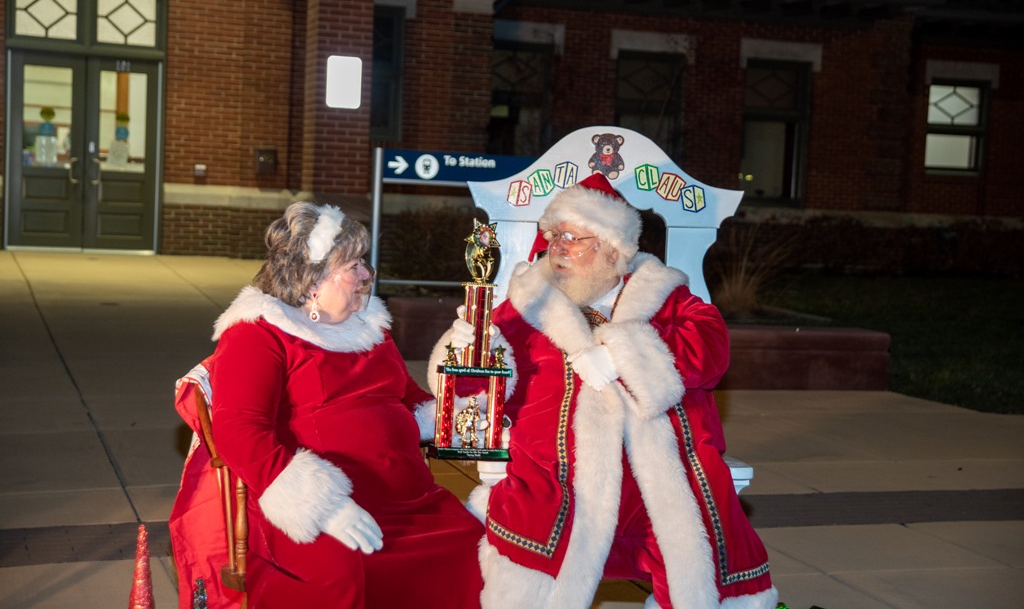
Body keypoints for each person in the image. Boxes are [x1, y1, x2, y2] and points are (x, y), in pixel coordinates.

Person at [431, 174, 777, 609]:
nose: (558, 248)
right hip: (557, 468)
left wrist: (622, 355)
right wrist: (469, 348)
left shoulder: (663, 295)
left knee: (696, 534)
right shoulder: (526, 303)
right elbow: (475, 392)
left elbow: (711, 347)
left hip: (659, 463)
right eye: (554, 236)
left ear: (613, 249)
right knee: (534, 534)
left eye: (573, 238)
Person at [171, 201, 484, 608]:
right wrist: (322, 507)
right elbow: (240, 432)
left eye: (363, 262)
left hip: (410, 499)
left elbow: (410, 399)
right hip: (322, 508)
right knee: (343, 569)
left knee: (471, 546)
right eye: (353, 265)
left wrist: (462, 419)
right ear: (311, 280)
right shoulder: (257, 334)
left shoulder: (369, 329)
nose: (366, 274)